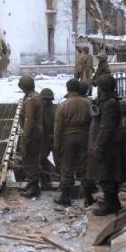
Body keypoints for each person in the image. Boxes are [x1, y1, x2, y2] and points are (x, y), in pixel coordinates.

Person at [87, 74, 123, 215]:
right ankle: (110, 201)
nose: (97, 89)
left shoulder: (110, 103)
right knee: (104, 175)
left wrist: (98, 145)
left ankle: (111, 204)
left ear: (103, 88)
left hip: (108, 146)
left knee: (107, 175)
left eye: (99, 87)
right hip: (104, 144)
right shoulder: (104, 102)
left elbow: (106, 127)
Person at [53, 78, 92, 207]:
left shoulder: (63, 106)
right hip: (85, 137)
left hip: (68, 138)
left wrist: (57, 145)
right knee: (84, 168)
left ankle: (65, 198)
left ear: (68, 89)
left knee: (68, 168)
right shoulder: (88, 103)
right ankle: (88, 198)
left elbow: (58, 128)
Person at [17, 76, 43, 198]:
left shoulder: (30, 100)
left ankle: (34, 188)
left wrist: (25, 138)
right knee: (33, 158)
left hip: (32, 133)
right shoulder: (36, 96)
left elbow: (29, 120)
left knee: (29, 159)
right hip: (37, 131)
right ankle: (32, 184)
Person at [39, 88, 57, 191]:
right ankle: (45, 182)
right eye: (44, 99)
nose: (46, 101)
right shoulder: (39, 110)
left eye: (48, 99)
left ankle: (64, 183)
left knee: (59, 162)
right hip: (44, 140)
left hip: (55, 139)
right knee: (41, 160)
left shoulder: (56, 110)